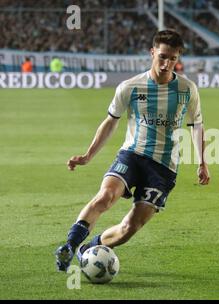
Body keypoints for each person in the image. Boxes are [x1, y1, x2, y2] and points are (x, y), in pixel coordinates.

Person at [55, 30, 210, 272]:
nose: (166, 63)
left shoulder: (187, 89)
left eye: (172, 58)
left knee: (130, 228)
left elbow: (196, 126)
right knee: (105, 197)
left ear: (178, 58)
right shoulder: (129, 87)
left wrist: (203, 162)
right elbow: (110, 121)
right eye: (162, 56)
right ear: (152, 52)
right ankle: (70, 245)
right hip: (132, 155)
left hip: (163, 168)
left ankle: (90, 249)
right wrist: (87, 156)